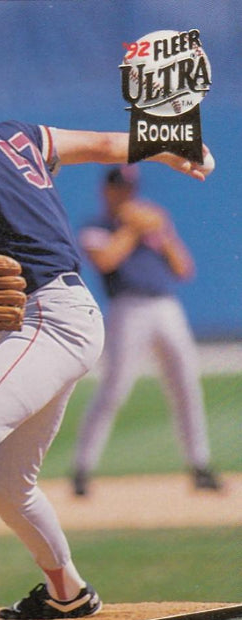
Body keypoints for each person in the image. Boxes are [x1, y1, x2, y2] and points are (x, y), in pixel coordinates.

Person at [0, 51, 214, 620]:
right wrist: (172, 143)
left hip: (48, 320)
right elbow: (108, 145)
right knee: (10, 487)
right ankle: (67, 593)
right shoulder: (20, 135)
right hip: (61, 319)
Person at [71, 165, 222, 496]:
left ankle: (200, 466)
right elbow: (106, 260)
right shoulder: (96, 226)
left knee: (185, 384)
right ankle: (82, 468)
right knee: (114, 389)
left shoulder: (153, 222)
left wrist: (164, 232)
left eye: (130, 189)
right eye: (120, 189)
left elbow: (184, 269)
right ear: (106, 191)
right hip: (128, 309)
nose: (127, 195)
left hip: (166, 306)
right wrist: (132, 229)